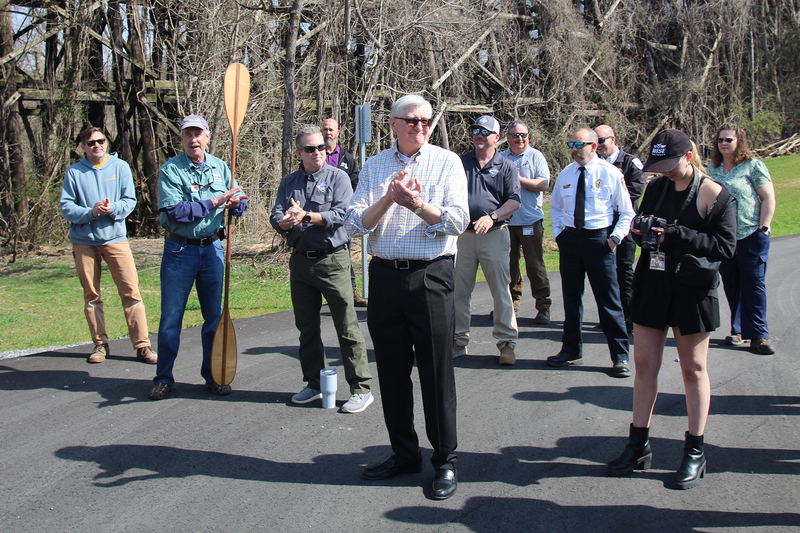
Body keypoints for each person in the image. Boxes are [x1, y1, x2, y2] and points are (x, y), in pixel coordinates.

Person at [344, 94, 469, 500]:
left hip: (430, 276)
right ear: (393, 124)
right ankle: (404, 453)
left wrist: (416, 203)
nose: (420, 127)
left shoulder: (447, 162)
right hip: (385, 276)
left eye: (426, 121)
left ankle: (444, 461)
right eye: (412, 121)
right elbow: (355, 224)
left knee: (435, 373)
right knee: (392, 373)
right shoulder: (375, 165)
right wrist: (388, 199)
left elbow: (457, 221)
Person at [606, 129, 736, 490]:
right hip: (654, 285)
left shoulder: (714, 193)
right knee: (645, 365)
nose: (666, 172)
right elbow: (642, 226)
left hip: (692, 291)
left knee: (694, 369)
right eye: (659, 166)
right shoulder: (657, 188)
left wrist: (676, 234)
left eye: (671, 165)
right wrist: (640, 230)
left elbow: (725, 246)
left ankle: (695, 451)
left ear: (689, 155)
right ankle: (638, 445)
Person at [270, 124, 373, 413]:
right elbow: (276, 213)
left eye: (322, 148)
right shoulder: (289, 182)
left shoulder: (339, 177)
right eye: (310, 149)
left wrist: (308, 216)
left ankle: (360, 388)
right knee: (306, 327)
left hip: (333, 260)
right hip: (301, 261)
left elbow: (342, 214)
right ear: (299, 152)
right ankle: (313, 383)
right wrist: (284, 222)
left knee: (347, 326)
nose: (318, 153)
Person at [148, 115, 248, 400]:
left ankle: (213, 375)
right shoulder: (171, 170)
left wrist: (237, 205)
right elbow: (175, 212)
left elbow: (240, 199)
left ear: (207, 137)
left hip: (213, 249)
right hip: (180, 251)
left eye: (198, 134)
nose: (193, 140)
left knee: (214, 318)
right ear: (181, 139)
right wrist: (215, 202)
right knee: (171, 318)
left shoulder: (221, 167)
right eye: (188, 134)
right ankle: (164, 377)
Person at [59, 127, 158, 365]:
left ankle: (143, 345)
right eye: (91, 142)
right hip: (84, 242)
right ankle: (100, 344)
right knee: (91, 296)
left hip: (115, 239)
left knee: (131, 292)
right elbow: (66, 207)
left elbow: (130, 201)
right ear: (83, 147)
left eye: (101, 141)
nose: (97, 145)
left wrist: (112, 208)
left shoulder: (120, 167)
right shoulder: (74, 173)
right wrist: (90, 212)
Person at [547, 128, 634, 378]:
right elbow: (555, 207)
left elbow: (626, 212)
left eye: (579, 144)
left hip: (599, 241)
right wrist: (560, 236)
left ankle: (620, 355)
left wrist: (614, 239)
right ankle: (571, 349)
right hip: (572, 241)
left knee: (609, 301)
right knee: (571, 299)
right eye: (571, 143)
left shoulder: (609, 173)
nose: (574, 148)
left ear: (593, 146)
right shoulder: (566, 173)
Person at [454, 115, 521, 365]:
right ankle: (458, 341)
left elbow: (514, 200)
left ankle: (506, 344)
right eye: (475, 130)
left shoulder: (505, 166)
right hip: (464, 236)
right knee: (459, 291)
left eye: (485, 131)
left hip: (495, 235)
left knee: (501, 291)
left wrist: (492, 217)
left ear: (496, 137)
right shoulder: (461, 162)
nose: (479, 134)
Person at [708, 123, 777, 355]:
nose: (724, 143)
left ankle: (759, 335)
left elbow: (768, 198)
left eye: (729, 139)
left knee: (754, 285)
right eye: (721, 140)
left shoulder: (752, 166)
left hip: (750, 234)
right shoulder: (713, 170)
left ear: (739, 142)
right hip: (724, 238)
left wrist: (764, 228)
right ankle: (737, 330)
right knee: (732, 284)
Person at [595, 125, 647, 333]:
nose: (598, 145)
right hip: (601, 226)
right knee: (603, 273)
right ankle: (608, 315)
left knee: (624, 272)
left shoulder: (630, 162)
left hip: (624, 226)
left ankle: (629, 316)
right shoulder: (595, 164)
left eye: (602, 140)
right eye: (595, 141)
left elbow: (636, 189)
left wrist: (609, 197)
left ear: (613, 139)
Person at [500, 120, 552, 325]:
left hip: (530, 220)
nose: (519, 138)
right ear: (508, 138)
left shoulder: (535, 156)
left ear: (528, 137)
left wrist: (519, 179)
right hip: (506, 221)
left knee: (535, 265)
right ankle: (511, 304)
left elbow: (543, 184)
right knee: (508, 265)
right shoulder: (501, 157)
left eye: (523, 135)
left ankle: (543, 306)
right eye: (515, 135)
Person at [321, 118, 367, 307]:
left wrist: (348, 205)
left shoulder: (346, 158)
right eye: (325, 129)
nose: (328, 133)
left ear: (338, 132)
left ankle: (352, 293)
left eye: (331, 130)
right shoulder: (315, 154)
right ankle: (323, 293)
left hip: (341, 217)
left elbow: (356, 183)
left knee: (344, 255)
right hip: (318, 217)